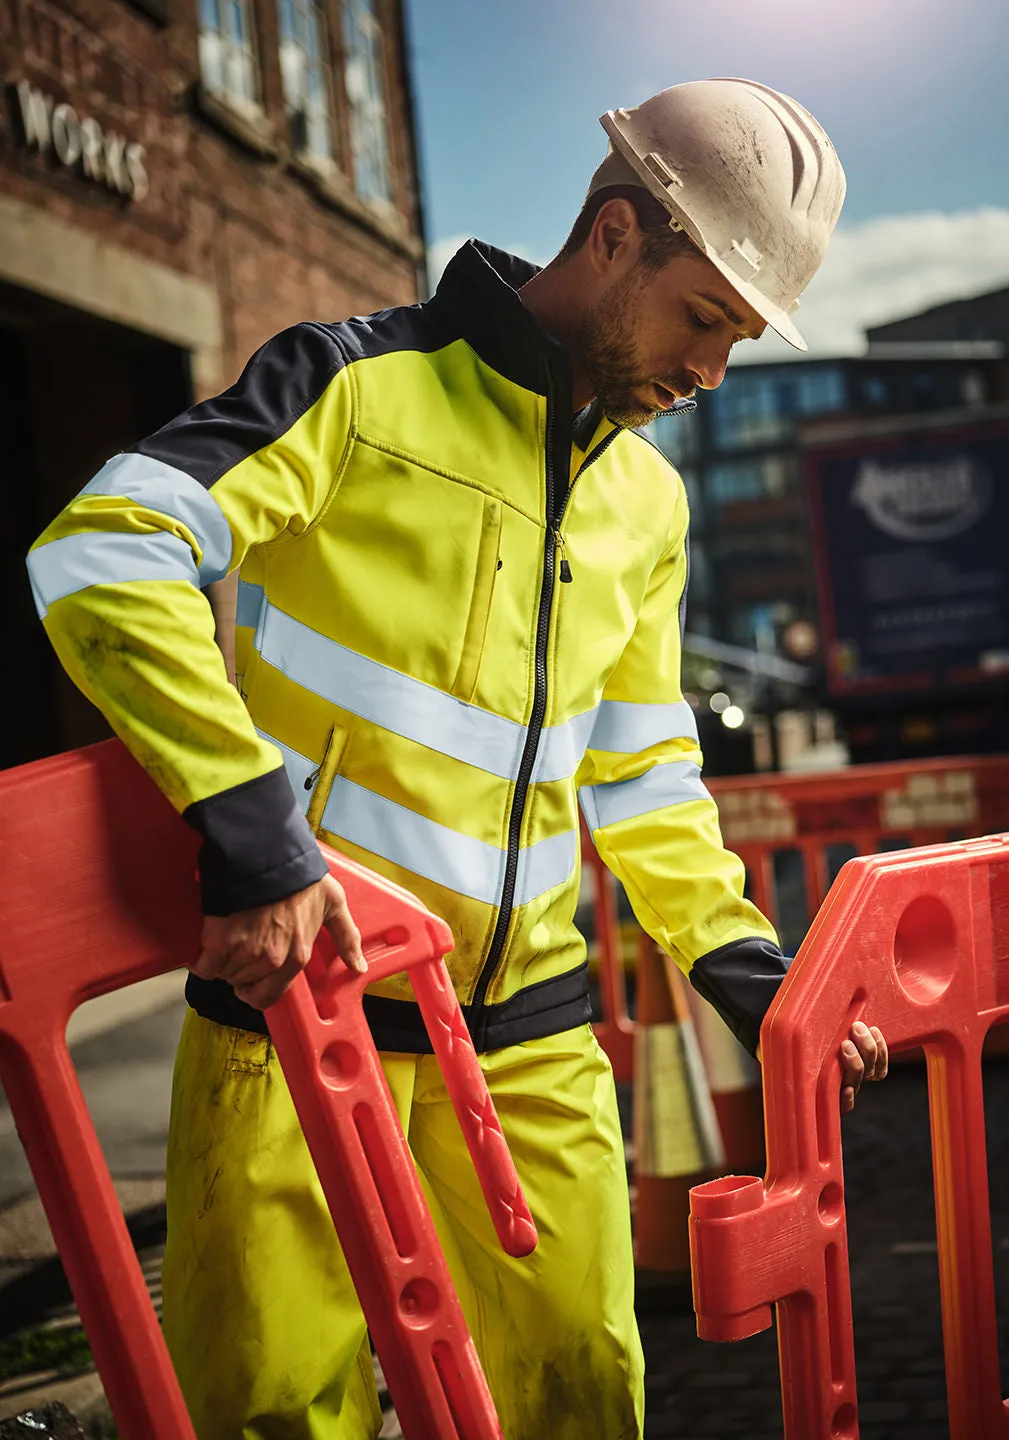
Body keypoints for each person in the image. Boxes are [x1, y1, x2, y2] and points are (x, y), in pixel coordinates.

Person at [29, 78, 888, 1440]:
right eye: (704, 318)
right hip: (292, 1020)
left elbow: (644, 762)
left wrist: (736, 962)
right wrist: (253, 828)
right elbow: (103, 550)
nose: (712, 372)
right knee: (274, 1415)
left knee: (583, 1402)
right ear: (616, 236)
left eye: (739, 338)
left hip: (532, 1040)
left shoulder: (648, 503)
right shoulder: (352, 386)